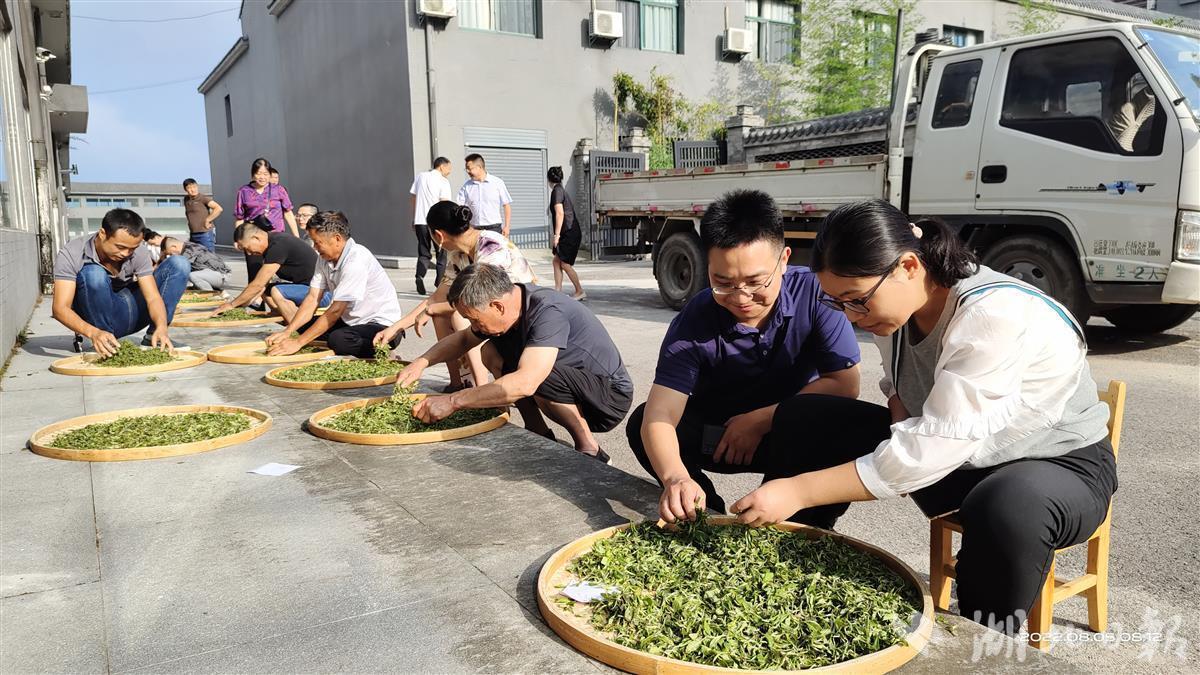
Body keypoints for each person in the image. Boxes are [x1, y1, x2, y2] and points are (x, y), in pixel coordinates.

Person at [727, 199, 1117, 636]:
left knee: (1007, 506)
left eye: (857, 301)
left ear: (909, 266)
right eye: (839, 303)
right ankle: (784, 561)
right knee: (807, 416)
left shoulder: (994, 314)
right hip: (960, 460)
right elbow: (900, 390)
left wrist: (800, 488)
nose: (852, 317)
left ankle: (980, 647)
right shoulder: (894, 309)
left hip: (1055, 467)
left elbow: (935, 447)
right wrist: (900, 431)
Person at [628, 189, 862, 524]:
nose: (741, 298)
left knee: (844, 427)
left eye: (756, 282)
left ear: (784, 260)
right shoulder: (696, 318)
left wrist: (760, 420)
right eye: (722, 282)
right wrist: (675, 478)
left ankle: (803, 526)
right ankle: (704, 511)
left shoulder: (817, 294)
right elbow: (661, 413)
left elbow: (844, 384)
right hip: (720, 437)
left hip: (791, 434)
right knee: (643, 424)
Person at [397, 263, 631, 462]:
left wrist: (453, 401)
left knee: (535, 374)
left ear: (497, 306)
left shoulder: (547, 311)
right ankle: (537, 432)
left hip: (609, 396)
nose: (474, 327)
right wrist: (421, 362)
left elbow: (526, 383)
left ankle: (591, 449)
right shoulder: (510, 305)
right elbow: (463, 340)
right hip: (573, 384)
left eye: (474, 320)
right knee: (490, 350)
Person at [374, 201, 536, 391]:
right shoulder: (458, 255)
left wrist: (432, 309)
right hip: (491, 314)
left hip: (519, 318)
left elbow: (480, 301)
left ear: (438, 235)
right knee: (440, 315)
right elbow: (437, 298)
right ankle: (458, 383)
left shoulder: (491, 246)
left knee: (459, 315)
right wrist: (395, 328)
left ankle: (480, 388)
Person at [266, 211, 404, 358]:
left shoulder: (356, 260)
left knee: (338, 340)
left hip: (380, 326)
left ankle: (384, 351)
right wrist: (288, 331)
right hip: (351, 322)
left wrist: (298, 343)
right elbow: (312, 298)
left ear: (337, 239)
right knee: (304, 326)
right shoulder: (324, 258)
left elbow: (336, 310)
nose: (315, 247)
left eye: (318, 242)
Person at [51, 208, 188, 355]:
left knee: (179, 264)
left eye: (132, 249)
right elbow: (60, 308)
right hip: (95, 316)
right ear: (102, 234)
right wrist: (93, 332)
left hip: (128, 311)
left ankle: (154, 338)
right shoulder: (72, 253)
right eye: (120, 247)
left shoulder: (139, 252)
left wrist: (161, 326)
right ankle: (104, 341)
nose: (125, 253)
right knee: (93, 274)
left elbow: (153, 297)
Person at [212, 222, 330, 322]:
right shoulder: (273, 243)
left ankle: (298, 328)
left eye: (247, 248)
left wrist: (231, 305)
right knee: (267, 290)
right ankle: (285, 320)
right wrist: (241, 306)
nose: (248, 253)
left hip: (320, 294)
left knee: (276, 291)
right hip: (307, 289)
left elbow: (258, 284)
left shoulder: (278, 245)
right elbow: (261, 287)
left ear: (256, 238)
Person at [411, 157, 452, 294]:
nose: (449, 172)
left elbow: (414, 198)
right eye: (449, 168)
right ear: (441, 166)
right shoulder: (443, 181)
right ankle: (439, 283)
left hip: (420, 221)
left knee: (423, 252)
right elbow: (444, 203)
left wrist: (414, 218)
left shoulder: (420, 177)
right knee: (442, 253)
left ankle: (419, 276)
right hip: (437, 223)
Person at [234, 158, 298, 237]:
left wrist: (296, 236)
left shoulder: (278, 189)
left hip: (276, 235)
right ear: (253, 175)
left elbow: (288, 213)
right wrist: (238, 238)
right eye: (258, 173)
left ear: (270, 175)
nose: (262, 177)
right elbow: (239, 218)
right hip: (254, 236)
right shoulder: (244, 191)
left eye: (265, 174)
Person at [547, 166, 585, 299]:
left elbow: (560, 213)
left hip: (569, 233)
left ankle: (579, 291)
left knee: (564, 263)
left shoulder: (557, 192)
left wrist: (556, 235)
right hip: (569, 232)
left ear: (549, 179)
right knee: (556, 261)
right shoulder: (560, 190)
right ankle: (558, 291)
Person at [457, 153, 512, 236]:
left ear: (479, 167)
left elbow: (506, 205)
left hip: (494, 229)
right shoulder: (466, 186)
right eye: (466, 169)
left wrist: (507, 226)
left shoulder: (497, 183)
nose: (468, 171)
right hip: (474, 230)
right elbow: (460, 206)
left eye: (469, 168)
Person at [161, 236, 231, 291]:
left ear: (174, 247)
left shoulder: (188, 252)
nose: (171, 256)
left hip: (222, 276)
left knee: (192, 276)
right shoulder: (189, 246)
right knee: (194, 282)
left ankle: (212, 296)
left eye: (170, 253)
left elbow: (180, 273)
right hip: (214, 274)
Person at [183, 178, 222, 252]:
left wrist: (208, 220)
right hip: (193, 234)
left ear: (197, 187)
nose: (193, 189)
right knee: (196, 256)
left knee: (209, 256)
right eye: (189, 188)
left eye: (194, 187)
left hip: (205, 233)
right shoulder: (186, 200)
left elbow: (218, 208)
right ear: (185, 189)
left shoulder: (203, 198)